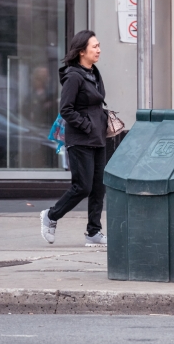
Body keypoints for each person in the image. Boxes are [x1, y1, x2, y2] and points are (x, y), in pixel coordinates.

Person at [40, 30, 108, 247]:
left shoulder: (94, 73)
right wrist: (87, 125)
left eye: (98, 45)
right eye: (94, 46)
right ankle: (51, 216)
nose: (98, 49)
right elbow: (66, 109)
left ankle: (93, 232)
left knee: (98, 187)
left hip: (98, 137)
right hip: (80, 139)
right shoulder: (73, 76)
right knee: (83, 186)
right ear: (81, 51)